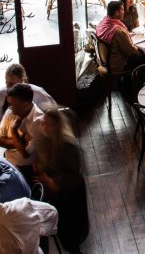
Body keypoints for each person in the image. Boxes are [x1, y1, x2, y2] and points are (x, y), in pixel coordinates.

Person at [35, 109, 89, 254]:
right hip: (59, 194)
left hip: (71, 193)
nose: (44, 127)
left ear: (57, 126)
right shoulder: (48, 140)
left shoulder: (68, 145)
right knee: (63, 226)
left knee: (72, 228)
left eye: (48, 125)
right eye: (43, 124)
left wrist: (52, 181)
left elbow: (73, 175)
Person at [0, 83, 45, 180]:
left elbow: (25, 154)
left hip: (25, 168)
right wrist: (20, 142)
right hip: (8, 159)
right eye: (9, 103)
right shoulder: (11, 111)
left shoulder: (38, 122)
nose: (10, 108)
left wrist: (13, 130)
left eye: (13, 104)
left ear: (26, 104)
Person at [95, 1, 145, 73]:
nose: (124, 11)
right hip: (117, 64)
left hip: (105, 60)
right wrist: (137, 48)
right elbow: (130, 51)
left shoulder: (102, 23)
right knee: (141, 55)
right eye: (122, 9)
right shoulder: (118, 31)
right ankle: (137, 81)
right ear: (117, 13)